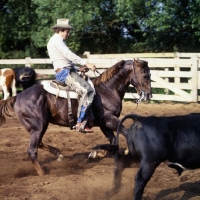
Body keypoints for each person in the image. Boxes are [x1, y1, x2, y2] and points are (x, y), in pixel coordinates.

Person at [47, 18, 96, 133]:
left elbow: (63, 61)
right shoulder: (56, 41)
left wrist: (77, 68)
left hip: (67, 70)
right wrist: (85, 62)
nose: (68, 34)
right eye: (67, 31)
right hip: (64, 73)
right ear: (61, 30)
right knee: (88, 91)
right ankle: (80, 122)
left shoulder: (57, 41)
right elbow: (68, 54)